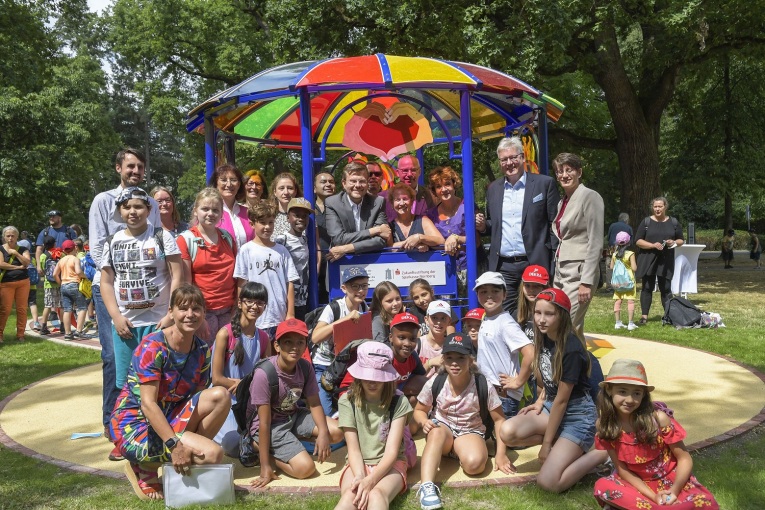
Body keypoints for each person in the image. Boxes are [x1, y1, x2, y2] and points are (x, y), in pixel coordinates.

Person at [110, 284, 230, 501]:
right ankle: (145, 467)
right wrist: (174, 444)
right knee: (213, 454)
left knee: (220, 396)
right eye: (183, 309)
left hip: (171, 415)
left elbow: (198, 398)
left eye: (196, 309)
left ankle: (182, 457)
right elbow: (148, 404)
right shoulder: (153, 347)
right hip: (138, 423)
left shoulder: (202, 349)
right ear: (171, 312)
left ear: (204, 313)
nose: (190, 315)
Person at [89, 148, 162, 453]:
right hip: (113, 291)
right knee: (113, 359)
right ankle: (113, 424)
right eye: (130, 165)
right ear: (118, 167)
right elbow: (96, 250)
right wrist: (122, 297)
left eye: (140, 166)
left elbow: (157, 241)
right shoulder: (103, 201)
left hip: (147, 299)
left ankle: (151, 422)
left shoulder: (151, 202)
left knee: (150, 362)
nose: (135, 170)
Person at [499, 288, 607, 493]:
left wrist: (546, 445)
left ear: (562, 315)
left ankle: (601, 454)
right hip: (553, 407)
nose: (541, 319)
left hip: (577, 416)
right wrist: (540, 400)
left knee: (548, 483)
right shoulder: (545, 336)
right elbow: (551, 379)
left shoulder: (571, 348)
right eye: (538, 313)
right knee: (507, 432)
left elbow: (563, 400)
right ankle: (563, 445)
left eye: (549, 314)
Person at [593, 359, 719, 509]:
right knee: (603, 486)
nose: (630, 399)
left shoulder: (658, 419)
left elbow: (684, 458)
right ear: (609, 390)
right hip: (636, 484)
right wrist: (653, 496)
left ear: (644, 395)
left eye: (637, 393)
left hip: (670, 481)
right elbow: (622, 470)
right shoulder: (605, 425)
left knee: (705, 501)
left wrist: (674, 491)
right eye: (622, 391)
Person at [100, 187, 183, 399]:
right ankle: (132, 428)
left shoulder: (161, 237)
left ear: (148, 209)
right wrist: (116, 317)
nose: (132, 211)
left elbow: (177, 275)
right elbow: (107, 282)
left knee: (160, 381)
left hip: (158, 324)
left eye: (138, 206)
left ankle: (161, 428)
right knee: (129, 385)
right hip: (126, 327)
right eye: (126, 207)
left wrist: (171, 315)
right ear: (119, 211)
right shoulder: (112, 242)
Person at [414, 334, 513, 509]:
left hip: (470, 430)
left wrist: (500, 453)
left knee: (475, 465)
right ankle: (427, 486)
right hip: (443, 428)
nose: (454, 363)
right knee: (435, 431)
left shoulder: (483, 385)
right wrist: (423, 422)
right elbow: (419, 410)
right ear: (443, 360)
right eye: (449, 358)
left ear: (471, 361)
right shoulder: (436, 381)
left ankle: (456, 451)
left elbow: (499, 420)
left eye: (461, 358)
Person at [246, 318, 344, 488]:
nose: (294, 347)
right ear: (277, 346)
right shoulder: (264, 374)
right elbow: (264, 422)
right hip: (269, 426)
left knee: (335, 433)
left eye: (300, 342)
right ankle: (257, 447)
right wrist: (265, 467)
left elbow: (314, 403)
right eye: (288, 342)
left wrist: (322, 433)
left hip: (292, 414)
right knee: (305, 469)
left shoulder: (305, 367)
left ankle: (290, 444)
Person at [477, 136, 560, 315]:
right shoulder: (493, 189)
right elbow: (495, 226)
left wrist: (553, 261)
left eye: (513, 157)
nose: (509, 163)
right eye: (504, 159)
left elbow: (554, 225)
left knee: (538, 311)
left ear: (522, 157)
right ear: (499, 162)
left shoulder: (543, 184)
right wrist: (484, 226)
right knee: (504, 314)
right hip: (503, 265)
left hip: (534, 261)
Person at [335, 342, 413, 510]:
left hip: (391, 464)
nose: (372, 382)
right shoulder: (346, 401)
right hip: (358, 462)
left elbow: (392, 452)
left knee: (377, 495)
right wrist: (360, 476)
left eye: (378, 376)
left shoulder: (399, 402)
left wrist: (370, 480)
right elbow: (353, 449)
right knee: (351, 493)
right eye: (367, 376)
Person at [211, 282, 270, 458]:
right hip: (226, 400)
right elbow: (216, 378)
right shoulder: (225, 334)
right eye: (249, 301)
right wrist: (243, 384)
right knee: (232, 444)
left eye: (260, 303)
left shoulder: (264, 337)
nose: (254, 306)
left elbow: (266, 375)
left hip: (252, 400)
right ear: (240, 303)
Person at [551, 152, 605, 341]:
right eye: (559, 171)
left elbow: (596, 241)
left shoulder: (590, 197)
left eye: (568, 170)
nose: (564, 175)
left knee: (565, 326)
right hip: (561, 270)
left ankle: (570, 368)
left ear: (579, 172)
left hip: (579, 272)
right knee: (572, 329)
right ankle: (584, 369)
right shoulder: (562, 202)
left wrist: (586, 281)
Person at [176, 188, 237, 345]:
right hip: (203, 311)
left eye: (216, 210)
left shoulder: (228, 238)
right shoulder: (186, 239)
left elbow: (237, 277)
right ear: (196, 210)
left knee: (227, 358)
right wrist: (198, 317)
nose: (210, 213)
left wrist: (236, 310)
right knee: (205, 359)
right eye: (205, 209)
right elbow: (186, 285)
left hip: (228, 311)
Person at [473, 271, 534, 418]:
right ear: (477, 295)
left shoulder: (506, 323)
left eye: (495, 291)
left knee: (505, 435)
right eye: (484, 291)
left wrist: (518, 382)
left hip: (503, 395)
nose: (489, 295)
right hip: (489, 390)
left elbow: (531, 354)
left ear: (505, 295)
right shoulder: (486, 318)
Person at [234, 201, 298, 340]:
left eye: (271, 222)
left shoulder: (282, 251)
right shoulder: (246, 250)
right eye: (262, 222)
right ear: (252, 224)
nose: (267, 227)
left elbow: (290, 283)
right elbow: (241, 283)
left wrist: (290, 313)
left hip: (279, 315)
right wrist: (241, 312)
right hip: (255, 316)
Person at [312, 266, 370, 415]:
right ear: (344, 288)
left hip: (347, 367)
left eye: (364, 285)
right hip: (323, 367)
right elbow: (316, 337)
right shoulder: (334, 308)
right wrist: (343, 321)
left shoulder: (364, 307)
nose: (360, 290)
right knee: (326, 415)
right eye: (355, 286)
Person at [325, 162, 390, 261]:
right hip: (342, 262)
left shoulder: (378, 202)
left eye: (362, 181)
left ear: (367, 183)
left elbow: (380, 240)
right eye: (353, 181)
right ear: (344, 183)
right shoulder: (332, 203)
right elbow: (339, 239)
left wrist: (345, 249)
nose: (358, 185)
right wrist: (373, 231)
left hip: (370, 261)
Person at [426, 166, 479, 285]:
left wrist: (457, 238)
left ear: (454, 185)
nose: (444, 189)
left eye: (447, 184)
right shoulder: (431, 215)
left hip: (470, 268)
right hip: (445, 271)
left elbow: (477, 241)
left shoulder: (468, 206)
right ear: (434, 191)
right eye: (438, 187)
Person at [634, 197, 684, 325]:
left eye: (660, 206)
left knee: (666, 289)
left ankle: (669, 316)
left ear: (665, 207)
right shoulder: (646, 222)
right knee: (647, 288)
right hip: (648, 259)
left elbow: (681, 240)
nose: (657, 209)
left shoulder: (673, 222)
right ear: (652, 207)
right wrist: (652, 245)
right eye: (655, 207)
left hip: (666, 260)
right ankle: (644, 317)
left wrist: (673, 242)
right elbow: (638, 241)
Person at [274, 197, 317, 321]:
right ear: (288, 217)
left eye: (304, 216)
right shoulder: (282, 240)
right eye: (296, 215)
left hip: (303, 297)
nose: (301, 219)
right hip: (286, 297)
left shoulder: (305, 240)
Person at [388, 182, 444, 252]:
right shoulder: (389, 226)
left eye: (405, 199)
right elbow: (388, 248)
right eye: (397, 200)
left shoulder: (423, 220)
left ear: (412, 201)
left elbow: (441, 241)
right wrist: (414, 244)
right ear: (392, 204)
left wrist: (420, 238)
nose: (402, 203)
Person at [209, 163, 253, 249]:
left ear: (239, 184)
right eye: (223, 180)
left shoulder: (249, 213)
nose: (229, 184)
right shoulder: (209, 213)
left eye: (233, 180)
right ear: (216, 184)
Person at [52, 239, 90, 340]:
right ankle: (79, 331)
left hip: (64, 285)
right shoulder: (75, 259)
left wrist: (61, 283)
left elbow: (55, 274)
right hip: (74, 284)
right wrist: (85, 277)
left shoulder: (61, 260)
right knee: (82, 308)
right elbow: (78, 271)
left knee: (67, 309)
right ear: (75, 248)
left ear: (64, 250)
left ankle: (68, 333)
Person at [0, 226, 31, 342]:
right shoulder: (1, 249)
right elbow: (1, 264)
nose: (10, 238)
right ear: (4, 237)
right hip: (6, 283)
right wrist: (17, 267)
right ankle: (0, 335)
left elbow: (27, 262)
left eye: (13, 236)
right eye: (8, 236)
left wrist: (16, 253)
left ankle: (20, 335)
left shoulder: (23, 249)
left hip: (23, 282)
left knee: (22, 309)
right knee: (5, 309)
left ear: (17, 237)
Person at [380, 155, 435, 220]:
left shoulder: (430, 196)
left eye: (413, 170)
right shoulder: (383, 198)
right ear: (397, 173)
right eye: (405, 170)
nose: (409, 174)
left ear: (419, 172)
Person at [314, 171, 336, 303]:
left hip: (335, 263)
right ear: (314, 188)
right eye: (323, 182)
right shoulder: (308, 208)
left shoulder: (340, 208)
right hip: (315, 267)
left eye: (331, 182)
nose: (328, 184)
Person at [34, 210, 77, 277]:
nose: (51, 218)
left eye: (53, 217)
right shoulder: (45, 232)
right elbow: (39, 249)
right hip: (50, 266)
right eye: (50, 217)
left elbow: (76, 247)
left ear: (59, 218)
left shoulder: (68, 231)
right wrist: (38, 265)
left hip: (66, 265)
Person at [611, 231, 638, 331]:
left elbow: (611, 267)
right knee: (630, 301)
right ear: (628, 242)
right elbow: (634, 268)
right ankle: (630, 323)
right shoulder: (630, 254)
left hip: (618, 282)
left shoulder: (615, 254)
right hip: (629, 281)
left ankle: (618, 323)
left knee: (618, 301)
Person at [418, 300, 452, 378]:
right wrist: (430, 363)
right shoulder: (418, 344)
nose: (439, 322)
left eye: (443, 318)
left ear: (449, 321)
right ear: (426, 319)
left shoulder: (451, 346)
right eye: (434, 318)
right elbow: (411, 376)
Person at [516, 264, 550, 341]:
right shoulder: (517, 314)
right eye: (527, 285)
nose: (531, 290)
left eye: (537, 286)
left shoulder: (553, 314)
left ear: (546, 287)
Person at [37, 236, 61, 336]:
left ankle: (43, 327)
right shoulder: (59, 254)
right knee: (61, 305)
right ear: (54, 244)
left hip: (48, 283)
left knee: (47, 305)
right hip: (59, 281)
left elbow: (42, 269)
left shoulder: (43, 256)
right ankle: (63, 326)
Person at [271, 172, 302, 240]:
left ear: (295, 191)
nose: (286, 192)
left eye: (290, 188)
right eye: (281, 188)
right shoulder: (268, 215)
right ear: (275, 192)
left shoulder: (304, 215)